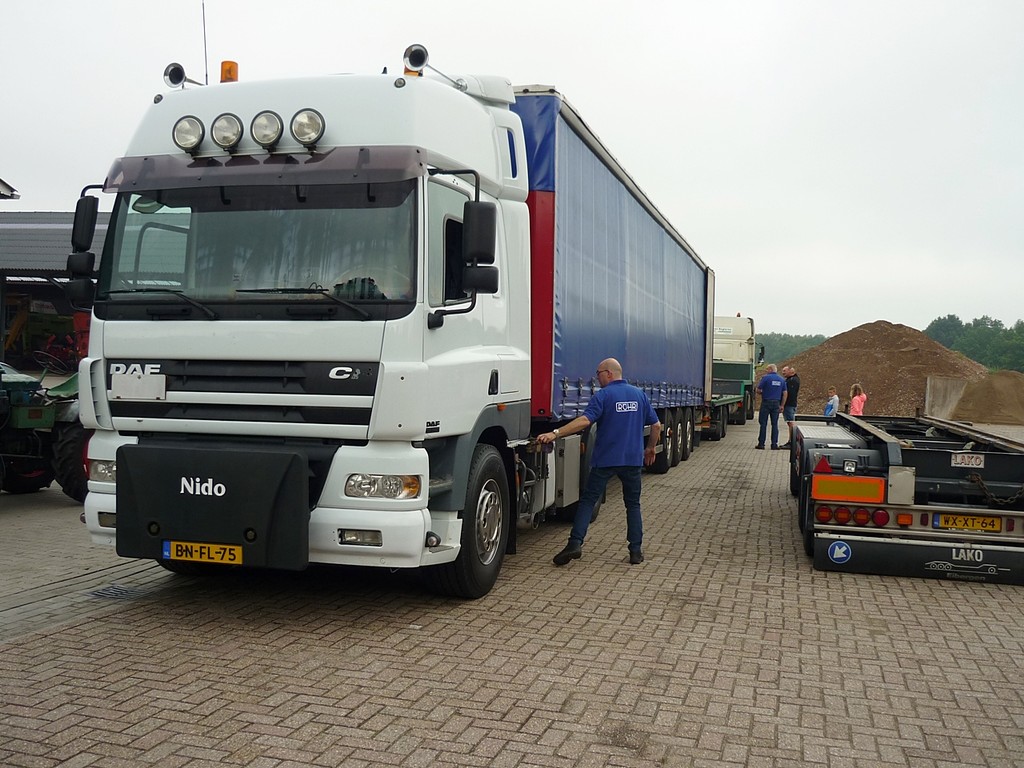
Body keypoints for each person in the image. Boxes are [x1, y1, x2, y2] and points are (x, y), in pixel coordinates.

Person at [537, 358, 661, 566]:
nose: (597, 378)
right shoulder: (639, 395)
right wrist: (650, 448)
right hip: (632, 460)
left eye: (599, 373)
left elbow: (585, 421)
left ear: (609, 374)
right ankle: (635, 551)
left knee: (588, 501)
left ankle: (575, 544)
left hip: (606, 460)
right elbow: (656, 425)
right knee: (632, 505)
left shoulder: (603, 395)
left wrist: (555, 433)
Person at [755, 363, 787, 450]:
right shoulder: (781, 380)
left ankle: (761, 444)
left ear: (770, 369)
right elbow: (785, 393)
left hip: (766, 402)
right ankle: (774, 444)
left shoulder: (765, 378)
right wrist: (782, 405)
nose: (766, 371)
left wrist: (763, 392)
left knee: (763, 424)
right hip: (776, 403)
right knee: (775, 424)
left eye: (767, 369)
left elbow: (758, 389)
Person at [781, 365, 800, 448]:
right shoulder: (790, 380)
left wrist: (783, 403)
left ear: (791, 371)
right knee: (789, 422)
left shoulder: (792, 381)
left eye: (785, 371)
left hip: (789, 404)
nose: (783, 372)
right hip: (790, 404)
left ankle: (792, 442)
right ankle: (791, 441)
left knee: (790, 422)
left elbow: (789, 393)